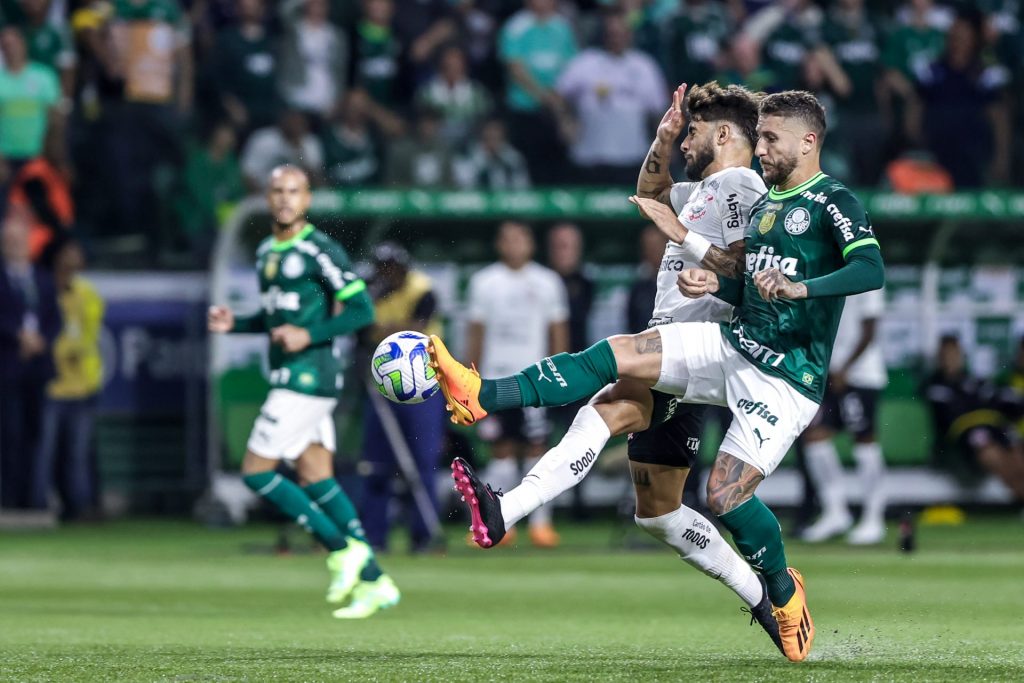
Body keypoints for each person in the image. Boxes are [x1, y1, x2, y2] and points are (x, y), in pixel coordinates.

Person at [433, 89, 886, 663]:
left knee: (709, 486)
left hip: (779, 373)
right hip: (723, 345)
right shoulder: (756, 199)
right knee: (656, 505)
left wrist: (700, 250)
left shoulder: (762, 191)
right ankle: (501, 480)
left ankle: (777, 589)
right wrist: (666, 138)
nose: (765, 148)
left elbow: (841, 267)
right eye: (764, 136)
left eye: (696, 130)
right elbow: (683, 223)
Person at [208, 165, 398, 619]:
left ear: (307, 199)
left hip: (309, 377)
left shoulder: (319, 248)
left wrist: (310, 336)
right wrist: (238, 323)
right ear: (268, 197)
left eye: (293, 191)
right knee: (316, 476)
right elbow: (279, 323)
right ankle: (375, 581)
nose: (284, 199)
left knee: (256, 471)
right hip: (290, 375)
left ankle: (339, 550)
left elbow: (361, 309)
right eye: (277, 191)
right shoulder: (266, 252)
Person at [465, 220, 569, 547]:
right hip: (496, 379)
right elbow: (476, 333)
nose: (514, 245)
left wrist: (562, 374)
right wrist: (471, 380)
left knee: (538, 449)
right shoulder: (484, 282)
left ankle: (541, 525)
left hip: (535, 380)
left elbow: (558, 331)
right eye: (507, 239)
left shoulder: (548, 281)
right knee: (502, 450)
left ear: (530, 244)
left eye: (520, 238)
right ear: (499, 244)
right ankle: (502, 523)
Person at [360, 242, 447, 552]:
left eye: (394, 268)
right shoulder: (371, 292)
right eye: (383, 268)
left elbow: (414, 330)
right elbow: (360, 327)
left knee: (422, 462)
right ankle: (374, 535)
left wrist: (383, 330)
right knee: (375, 464)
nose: (389, 274)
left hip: (423, 384)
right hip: (383, 386)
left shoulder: (421, 289)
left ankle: (423, 534)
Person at [799, 289, 888, 545]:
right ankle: (835, 511)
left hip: (862, 375)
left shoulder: (868, 273)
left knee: (864, 441)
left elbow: (870, 329)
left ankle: (874, 517)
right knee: (814, 439)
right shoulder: (827, 272)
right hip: (831, 372)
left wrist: (847, 368)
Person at [30, 236, 104, 520]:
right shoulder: (43, 289)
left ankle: (79, 507)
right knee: (44, 451)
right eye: (69, 252)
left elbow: (89, 331)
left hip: (82, 383)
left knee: (77, 453)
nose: (75, 257)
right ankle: (37, 504)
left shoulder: (86, 292)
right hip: (52, 382)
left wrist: (68, 349)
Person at [0, 208, 61, 509]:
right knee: (9, 435)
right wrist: (17, 336)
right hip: (8, 368)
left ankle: (32, 498)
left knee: (35, 436)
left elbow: (54, 320)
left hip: (37, 368)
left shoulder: (43, 278)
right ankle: (9, 500)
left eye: (18, 239)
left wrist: (41, 341)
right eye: (9, 240)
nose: (14, 244)